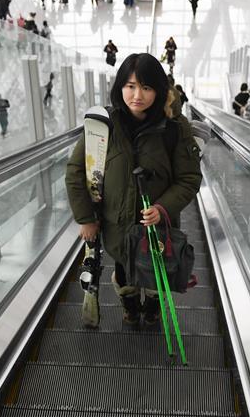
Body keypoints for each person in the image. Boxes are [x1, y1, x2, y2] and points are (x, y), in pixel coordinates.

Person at [65, 53, 203, 326]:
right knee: (124, 270)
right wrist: (86, 218)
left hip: (159, 225)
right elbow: (76, 171)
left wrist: (163, 208)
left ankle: (152, 305)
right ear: (120, 87)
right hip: (116, 223)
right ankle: (129, 303)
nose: (137, 95)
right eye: (130, 86)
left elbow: (189, 177)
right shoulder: (102, 125)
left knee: (155, 273)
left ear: (159, 90)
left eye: (146, 87)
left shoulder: (174, 128)